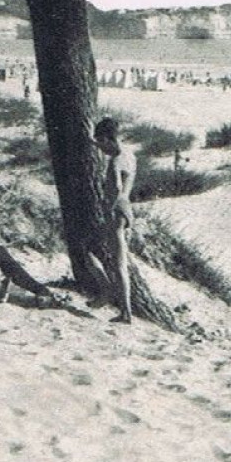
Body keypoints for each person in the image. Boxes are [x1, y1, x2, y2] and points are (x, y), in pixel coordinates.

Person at [93, 117, 137, 324]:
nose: (100, 149)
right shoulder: (129, 154)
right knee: (113, 259)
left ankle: (123, 309)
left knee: (118, 264)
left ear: (107, 139)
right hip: (126, 209)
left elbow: (117, 188)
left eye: (101, 143)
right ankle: (109, 295)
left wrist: (108, 209)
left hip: (115, 213)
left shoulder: (115, 160)